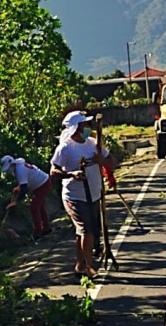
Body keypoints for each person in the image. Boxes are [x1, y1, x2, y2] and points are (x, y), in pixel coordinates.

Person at [50, 111, 116, 277]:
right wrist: (72, 174)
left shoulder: (93, 143)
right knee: (86, 230)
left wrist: (102, 162)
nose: (88, 128)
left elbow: (111, 163)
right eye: (84, 125)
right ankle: (88, 266)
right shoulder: (65, 148)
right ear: (76, 128)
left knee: (87, 230)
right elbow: (54, 170)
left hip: (94, 194)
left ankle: (80, 264)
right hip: (75, 196)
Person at [0, 155, 53, 239]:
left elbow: (24, 189)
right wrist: (17, 189)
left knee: (34, 207)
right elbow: (23, 183)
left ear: (12, 164)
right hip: (39, 184)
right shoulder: (18, 167)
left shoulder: (19, 170)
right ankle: (46, 228)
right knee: (40, 206)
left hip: (42, 184)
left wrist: (15, 202)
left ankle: (38, 232)